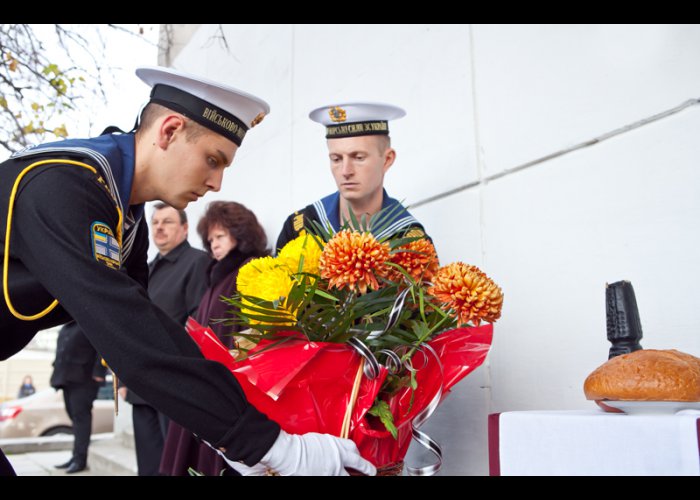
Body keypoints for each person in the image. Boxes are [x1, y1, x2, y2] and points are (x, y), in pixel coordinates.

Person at [0, 66, 375, 477]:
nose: (216, 183)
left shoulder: (123, 214)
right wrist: (270, 446)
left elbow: (150, 331)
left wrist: (239, 435)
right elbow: (127, 333)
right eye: (212, 160)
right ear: (169, 130)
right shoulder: (64, 186)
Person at [160, 200, 270, 476]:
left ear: (240, 233)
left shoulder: (250, 270)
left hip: (235, 383)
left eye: (220, 236)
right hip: (206, 378)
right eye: (211, 240)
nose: (214, 245)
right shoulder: (216, 275)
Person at [119, 203, 210, 475]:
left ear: (184, 229)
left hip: (173, 382)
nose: (159, 227)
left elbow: (197, 324)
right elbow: (131, 324)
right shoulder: (146, 268)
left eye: (167, 222)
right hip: (140, 382)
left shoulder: (197, 262)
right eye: (155, 222)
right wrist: (124, 378)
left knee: (175, 465)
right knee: (148, 464)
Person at [276, 102, 430, 252]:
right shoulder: (302, 227)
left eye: (358, 157)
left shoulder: (412, 243)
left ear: (387, 160)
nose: (345, 171)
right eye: (336, 159)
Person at [50, 321, 107, 473]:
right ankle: (75, 456)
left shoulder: (88, 322)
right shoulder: (66, 326)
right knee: (74, 418)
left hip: (84, 379)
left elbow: (102, 346)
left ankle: (80, 460)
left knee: (81, 419)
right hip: (66, 379)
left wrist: (99, 372)